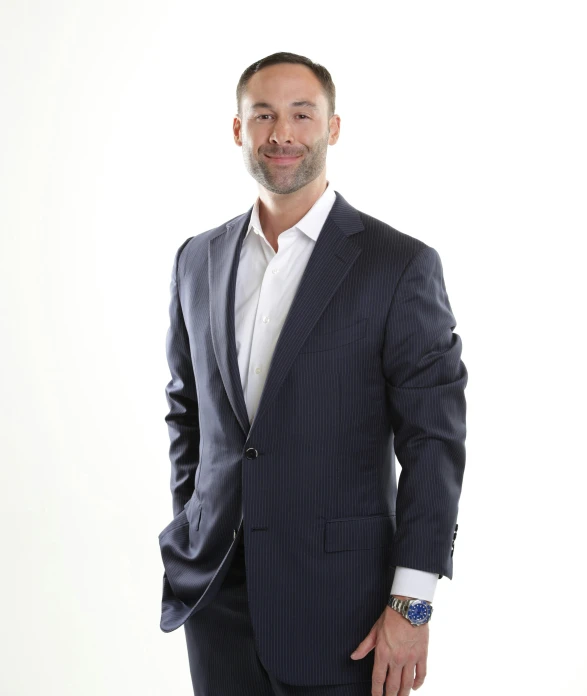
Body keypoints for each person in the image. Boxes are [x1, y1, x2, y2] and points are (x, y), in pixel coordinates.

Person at [157, 51, 468, 696]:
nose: (283, 133)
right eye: (264, 115)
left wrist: (412, 604)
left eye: (302, 114)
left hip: (344, 608)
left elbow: (432, 443)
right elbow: (186, 411)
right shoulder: (197, 260)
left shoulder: (398, 265)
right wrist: (193, 521)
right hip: (217, 604)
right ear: (238, 129)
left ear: (332, 127)